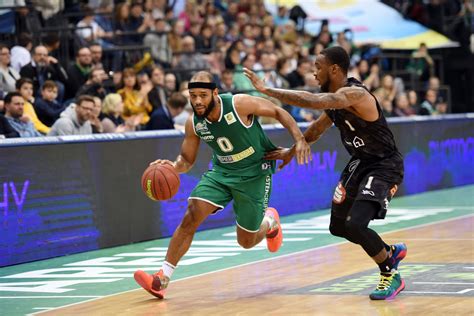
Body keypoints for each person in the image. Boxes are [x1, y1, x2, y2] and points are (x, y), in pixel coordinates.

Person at [244, 46, 407, 301]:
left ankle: (390, 272)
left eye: (318, 67)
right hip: (361, 162)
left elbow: (314, 101)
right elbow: (318, 129)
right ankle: (388, 251)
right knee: (339, 227)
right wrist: (292, 150)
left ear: (334, 69)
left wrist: (268, 91)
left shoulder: (354, 94)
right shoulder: (334, 102)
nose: (314, 72)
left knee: (356, 224)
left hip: (384, 165)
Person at [134, 71, 311, 299]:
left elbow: (278, 111)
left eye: (203, 95)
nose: (197, 101)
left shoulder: (239, 104)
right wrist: (172, 166)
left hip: (254, 174)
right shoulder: (194, 123)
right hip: (222, 173)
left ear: (215, 93)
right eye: (193, 95)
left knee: (246, 241)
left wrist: (299, 139)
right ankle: (161, 278)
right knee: (191, 214)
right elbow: (186, 160)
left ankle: (270, 222)